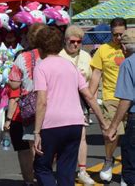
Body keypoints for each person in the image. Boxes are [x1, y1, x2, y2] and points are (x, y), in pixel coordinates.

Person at [32, 26, 108, 186]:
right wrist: (102, 121)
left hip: (52, 123)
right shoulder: (70, 66)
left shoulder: (41, 66)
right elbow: (88, 95)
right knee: (66, 169)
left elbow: (42, 101)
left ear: (40, 46)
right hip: (75, 122)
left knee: (42, 167)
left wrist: (37, 131)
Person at [7, 22, 47, 185]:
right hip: (54, 106)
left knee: (29, 147)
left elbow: (14, 84)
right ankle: (45, 176)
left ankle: (31, 181)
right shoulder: (57, 56)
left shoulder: (23, 57)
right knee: (49, 146)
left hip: (28, 109)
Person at [89, 17, 127, 182]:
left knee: (130, 136)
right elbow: (96, 74)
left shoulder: (130, 48)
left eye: (121, 34)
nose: (118, 38)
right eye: (115, 35)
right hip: (112, 97)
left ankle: (128, 170)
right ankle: (109, 160)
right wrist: (90, 98)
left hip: (130, 98)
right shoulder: (103, 50)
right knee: (111, 133)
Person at [58, 25, 94, 185]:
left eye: (79, 42)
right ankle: (63, 170)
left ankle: (83, 170)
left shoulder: (86, 56)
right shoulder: (58, 56)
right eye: (72, 41)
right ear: (66, 40)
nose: (75, 45)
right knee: (62, 136)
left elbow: (93, 78)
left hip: (80, 99)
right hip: (61, 99)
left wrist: (90, 98)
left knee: (82, 136)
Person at [104, 28, 135, 186]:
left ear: (124, 47)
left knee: (130, 167)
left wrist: (113, 126)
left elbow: (126, 99)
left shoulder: (128, 63)